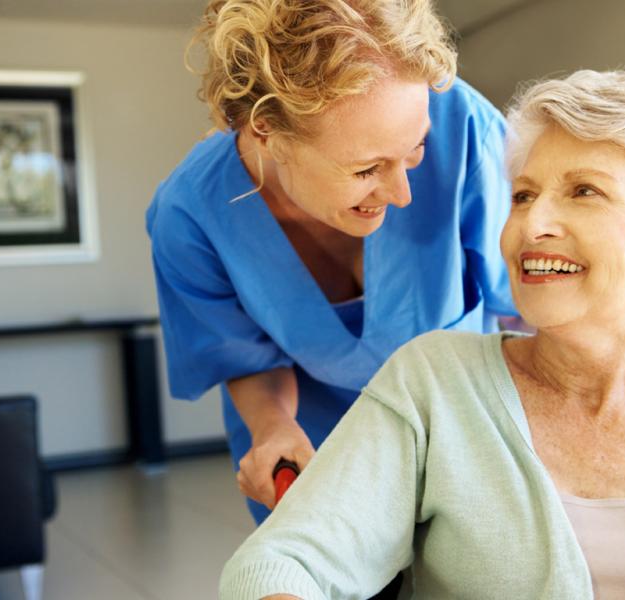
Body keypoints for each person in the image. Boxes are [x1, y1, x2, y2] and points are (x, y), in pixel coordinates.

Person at [218, 70, 625, 600]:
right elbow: (284, 563)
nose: (532, 224)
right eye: (523, 195)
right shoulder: (433, 385)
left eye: (584, 191)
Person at [146, 0, 515, 531]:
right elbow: (244, 357)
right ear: (266, 130)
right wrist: (272, 426)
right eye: (367, 168)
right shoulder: (190, 215)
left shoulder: (464, 131)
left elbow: (527, 313)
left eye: (414, 154)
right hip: (311, 451)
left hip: (464, 434)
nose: (403, 194)